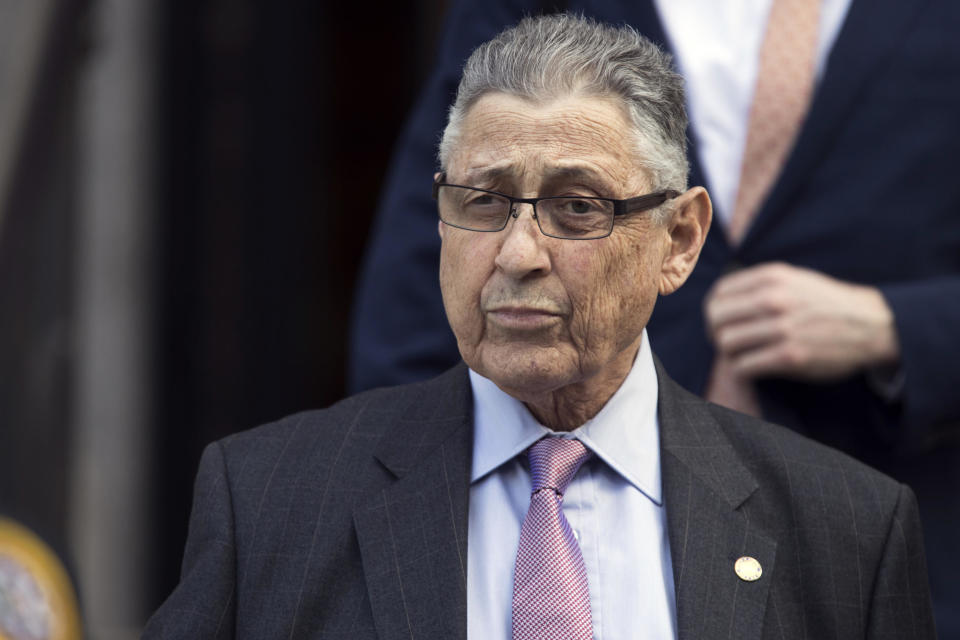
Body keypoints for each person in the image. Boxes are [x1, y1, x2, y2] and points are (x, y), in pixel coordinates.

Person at [145, 15, 935, 639]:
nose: (518, 253)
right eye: (483, 202)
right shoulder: (270, 503)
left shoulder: (848, 534)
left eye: (577, 207)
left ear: (679, 241)